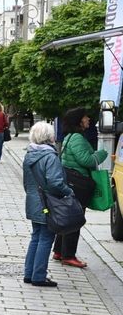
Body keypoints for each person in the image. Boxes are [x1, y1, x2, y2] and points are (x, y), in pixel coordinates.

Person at [54, 108, 108, 268]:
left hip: (71, 181)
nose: (88, 119)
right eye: (85, 117)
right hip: (77, 184)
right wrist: (102, 154)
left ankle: (59, 251)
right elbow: (87, 161)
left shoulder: (71, 137)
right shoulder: (77, 138)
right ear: (79, 120)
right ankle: (68, 255)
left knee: (67, 217)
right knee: (75, 219)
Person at [23, 121, 73, 287]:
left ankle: (29, 273)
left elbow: (26, 183)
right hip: (47, 203)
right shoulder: (50, 157)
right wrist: (68, 192)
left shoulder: (29, 155)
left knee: (36, 236)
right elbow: (54, 182)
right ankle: (38, 276)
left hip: (33, 201)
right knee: (45, 238)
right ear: (49, 137)